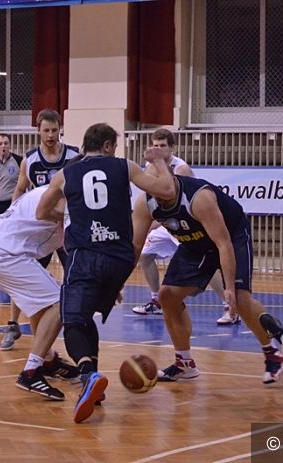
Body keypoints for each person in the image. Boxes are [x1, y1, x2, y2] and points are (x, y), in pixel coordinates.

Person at [36, 122, 176, 424]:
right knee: (87, 316)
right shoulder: (124, 166)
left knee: (74, 321)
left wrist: (70, 212)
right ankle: (95, 387)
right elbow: (167, 190)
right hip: (120, 258)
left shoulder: (66, 173)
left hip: (85, 255)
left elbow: (41, 211)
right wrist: (159, 162)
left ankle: (88, 374)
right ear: (109, 146)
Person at [131, 168, 283, 384]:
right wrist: (116, 284)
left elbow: (223, 243)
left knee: (240, 299)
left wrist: (228, 288)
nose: (158, 193)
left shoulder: (198, 197)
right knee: (167, 296)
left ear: (172, 180)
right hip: (195, 243)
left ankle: (273, 353)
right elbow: (135, 246)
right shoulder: (145, 203)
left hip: (231, 236)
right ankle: (184, 363)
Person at [0, 185, 79, 400]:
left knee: (40, 305)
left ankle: (48, 360)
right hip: (5, 253)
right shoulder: (63, 198)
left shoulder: (50, 191)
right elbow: (69, 240)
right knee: (61, 303)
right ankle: (31, 371)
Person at [130, 129, 236, 324]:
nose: (158, 149)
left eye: (162, 146)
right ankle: (156, 300)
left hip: (187, 221)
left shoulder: (181, 168)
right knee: (145, 256)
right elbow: (152, 201)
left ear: (171, 148)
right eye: (155, 145)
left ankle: (228, 305)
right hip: (166, 222)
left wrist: (153, 223)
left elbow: (175, 200)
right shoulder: (150, 166)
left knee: (206, 265)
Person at [0, 109, 79, 351]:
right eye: (46, 130)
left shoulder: (74, 156)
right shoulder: (30, 160)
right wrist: (13, 216)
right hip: (39, 229)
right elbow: (20, 189)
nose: (51, 135)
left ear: (60, 130)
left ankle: (76, 320)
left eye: (55, 130)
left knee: (75, 274)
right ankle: (12, 324)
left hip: (65, 228)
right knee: (23, 275)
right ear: (38, 131)